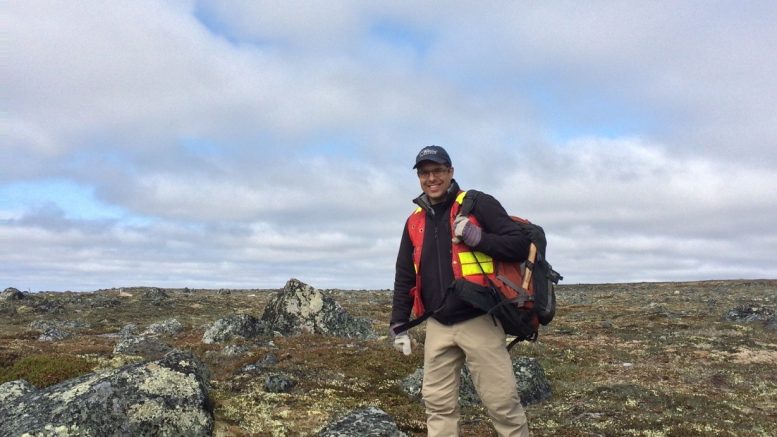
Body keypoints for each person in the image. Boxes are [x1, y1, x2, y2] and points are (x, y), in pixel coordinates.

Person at [389, 145, 532, 437]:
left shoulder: (478, 203)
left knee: (502, 404)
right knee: (438, 407)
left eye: (438, 171)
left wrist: (477, 237)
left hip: (479, 319)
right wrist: (399, 325)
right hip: (438, 324)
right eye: (424, 173)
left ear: (451, 172)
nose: (431, 178)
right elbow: (405, 275)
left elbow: (519, 244)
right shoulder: (414, 221)